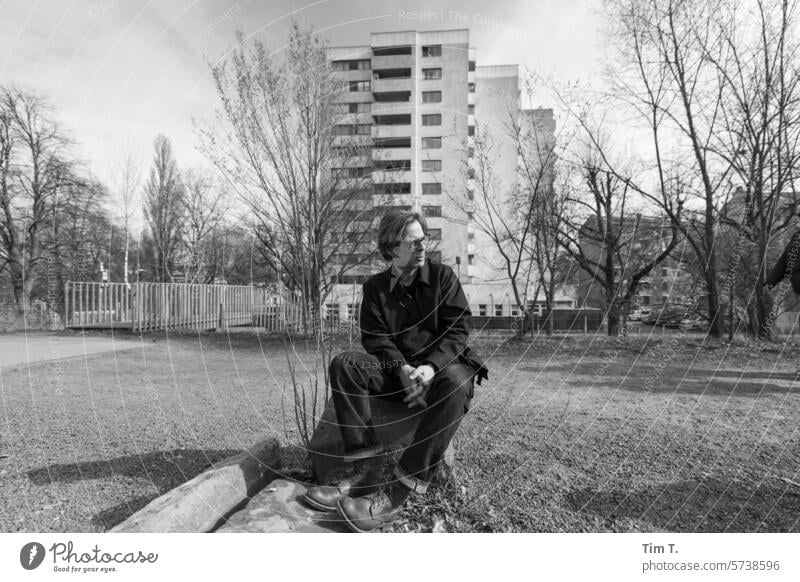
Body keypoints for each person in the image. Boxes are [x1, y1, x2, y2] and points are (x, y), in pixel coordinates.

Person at [302, 209, 488, 532]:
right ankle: (362, 472)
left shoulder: (443, 278)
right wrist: (401, 368)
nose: (421, 247)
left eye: (423, 240)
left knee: (459, 382)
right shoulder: (375, 288)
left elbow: (459, 330)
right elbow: (375, 337)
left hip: (439, 373)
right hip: (396, 373)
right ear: (391, 248)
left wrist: (429, 369)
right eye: (411, 241)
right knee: (345, 365)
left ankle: (395, 494)